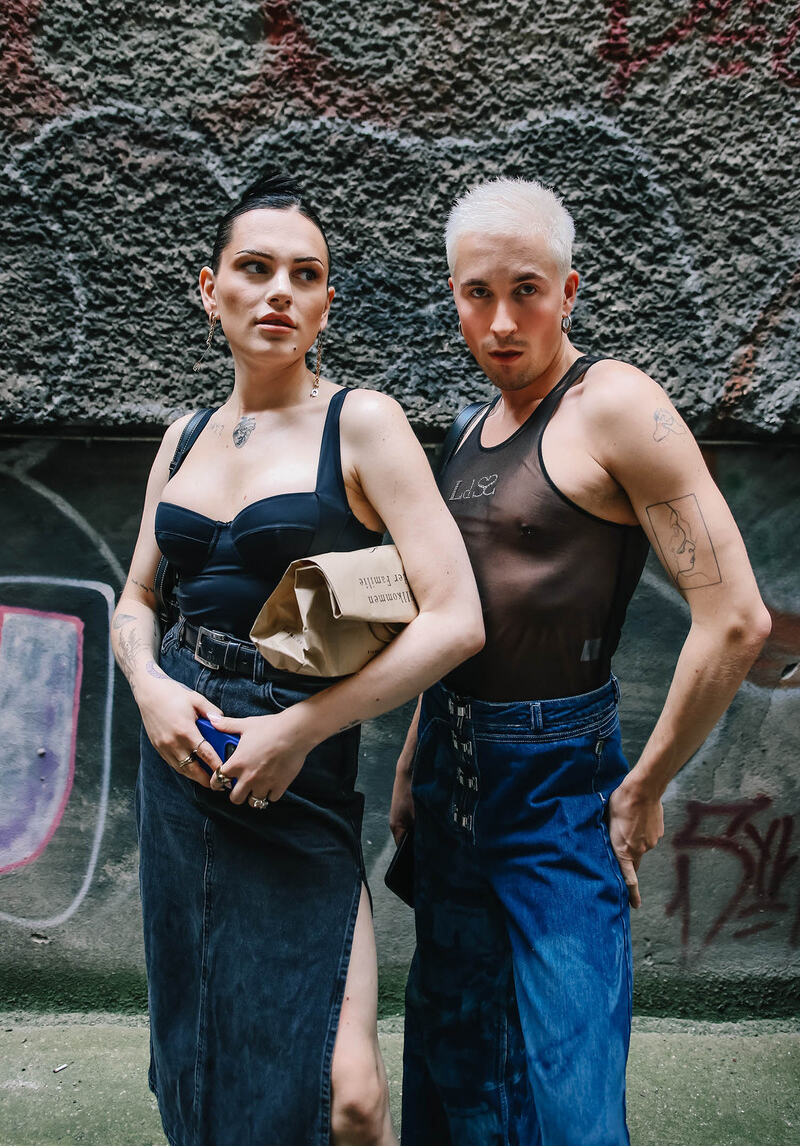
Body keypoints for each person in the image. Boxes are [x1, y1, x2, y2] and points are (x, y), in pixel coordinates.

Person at [390, 177, 771, 1145]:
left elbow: (734, 619)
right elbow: (453, 615)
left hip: (556, 781)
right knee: (453, 1064)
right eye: (477, 293)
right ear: (453, 296)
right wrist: (412, 755)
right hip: (447, 775)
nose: (501, 320)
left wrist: (643, 790)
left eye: (526, 290)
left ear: (568, 291)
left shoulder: (614, 406)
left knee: (571, 1090)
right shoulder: (466, 433)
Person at [110, 170, 484, 1146]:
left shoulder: (362, 423)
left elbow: (456, 619)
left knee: (349, 1094)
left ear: (325, 301)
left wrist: (300, 730)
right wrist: (149, 688)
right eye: (255, 268)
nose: (279, 290)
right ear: (210, 290)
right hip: (179, 751)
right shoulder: (183, 436)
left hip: (295, 761)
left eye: (304, 274)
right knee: (202, 1040)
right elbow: (136, 600)